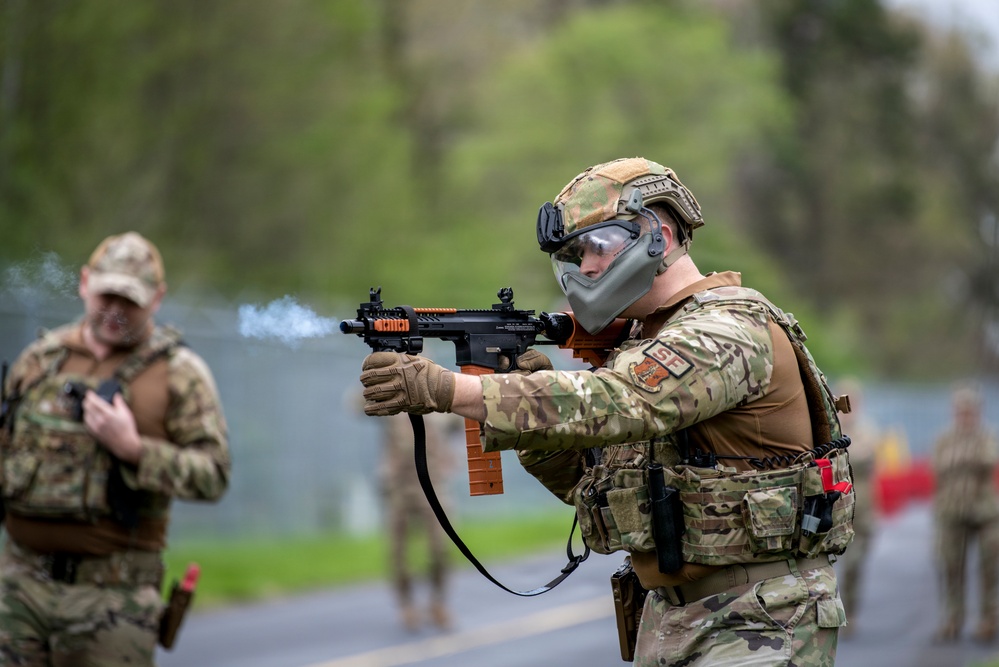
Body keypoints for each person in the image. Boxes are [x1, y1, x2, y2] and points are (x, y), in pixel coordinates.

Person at [358, 157, 855, 666]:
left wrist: (449, 391)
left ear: (657, 236)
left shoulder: (726, 328)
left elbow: (624, 401)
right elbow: (592, 486)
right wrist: (529, 407)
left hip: (760, 617)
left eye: (597, 247)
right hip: (672, 617)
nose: (587, 268)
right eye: (575, 256)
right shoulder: (643, 343)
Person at [0, 232, 231, 665]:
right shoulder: (39, 361)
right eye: (107, 295)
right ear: (85, 283)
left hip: (112, 601)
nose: (116, 311)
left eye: (131, 301)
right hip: (18, 589)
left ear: (157, 298)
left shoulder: (180, 374)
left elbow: (214, 474)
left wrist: (134, 449)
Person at [375, 412, 456, 632]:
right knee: (398, 551)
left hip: (432, 485)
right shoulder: (392, 401)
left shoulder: (437, 400)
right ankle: (406, 605)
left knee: (440, 549)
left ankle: (437, 602)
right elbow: (358, 404)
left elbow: (464, 415)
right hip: (399, 486)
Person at [931, 384, 999, 643]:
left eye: (970, 412)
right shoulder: (944, 438)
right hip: (951, 510)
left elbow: (987, 460)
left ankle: (989, 618)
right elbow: (938, 465)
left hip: (984, 512)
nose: (965, 417)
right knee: (949, 566)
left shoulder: (987, 435)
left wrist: (959, 458)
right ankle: (952, 617)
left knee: (989, 568)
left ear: (978, 413)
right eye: (961, 412)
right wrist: (964, 457)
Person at [833, 378, 882, 637]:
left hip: (861, 511)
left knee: (854, 566)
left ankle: (848, 612)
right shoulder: (831, 430)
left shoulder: (866, 430)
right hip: (834, 511)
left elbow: (863, 456)